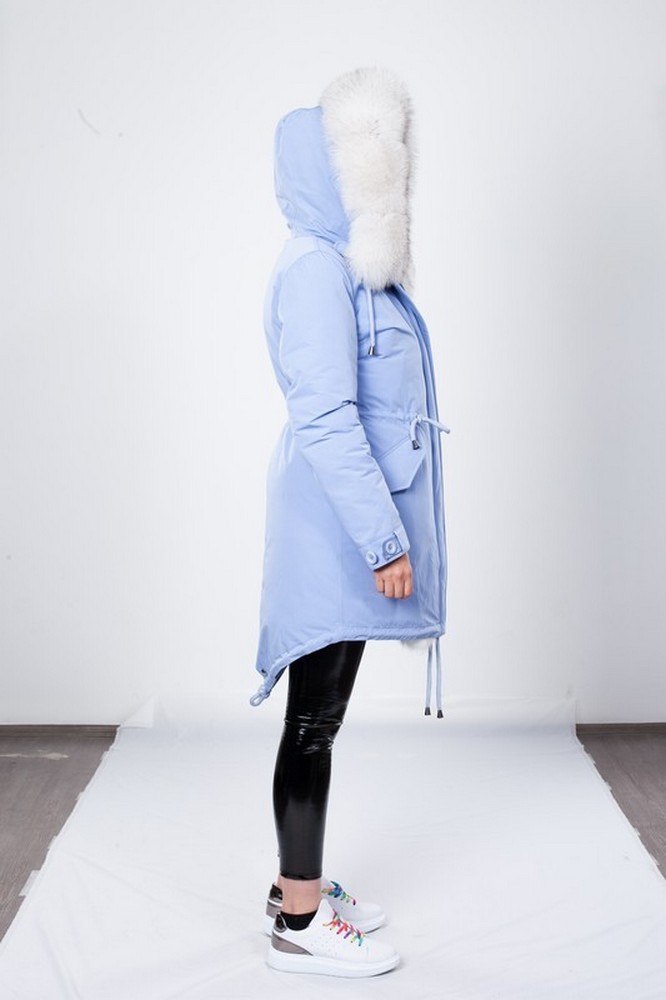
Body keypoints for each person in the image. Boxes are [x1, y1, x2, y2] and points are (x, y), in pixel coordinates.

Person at [250, 65, 450, 978]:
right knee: (314, 724)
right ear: (329, 171)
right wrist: (384, 540)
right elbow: (327, 418)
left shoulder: (348, 270)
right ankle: (298, 920)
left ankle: (294, 886)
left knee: (317, 719)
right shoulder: (314, 271)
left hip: (345, 525)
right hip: (337, 531)